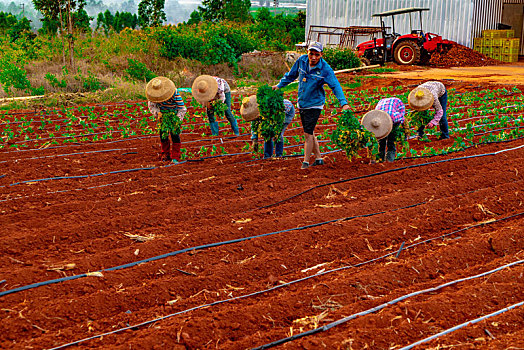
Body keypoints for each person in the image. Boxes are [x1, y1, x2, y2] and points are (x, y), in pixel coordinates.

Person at [272, 41, 350, 169]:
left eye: (317, 55)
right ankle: (319, 158)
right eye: (311, 53)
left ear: (321, 55)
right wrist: (279, 86)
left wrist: (344, 103)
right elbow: (291, 76)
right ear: (307, 52)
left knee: (307, 134)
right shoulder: (302, 61)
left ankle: (306, 162)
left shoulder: (325, 69)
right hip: (302, 102)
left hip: (315, 104)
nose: (313, 57)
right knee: (310, 131)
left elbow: (335, 86)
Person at [145, 76, 186, 163]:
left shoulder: (174, 93)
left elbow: (182, 108)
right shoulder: (152, 95)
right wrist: (157, 112)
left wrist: (177, 120)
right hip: (163, 115)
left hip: (174, 114)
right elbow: (152, 106)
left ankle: (175, 156)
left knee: (175, 135)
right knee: (163, 134)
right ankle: (165, 153)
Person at [362, 97, 406, 162]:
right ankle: (380, 158)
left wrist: (404, 130)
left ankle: (389, 160)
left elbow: (401, 118)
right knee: (381, 140)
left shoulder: (394, 117)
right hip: (382, 105)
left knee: (391, 139)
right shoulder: (374, 118)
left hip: (397, 106)